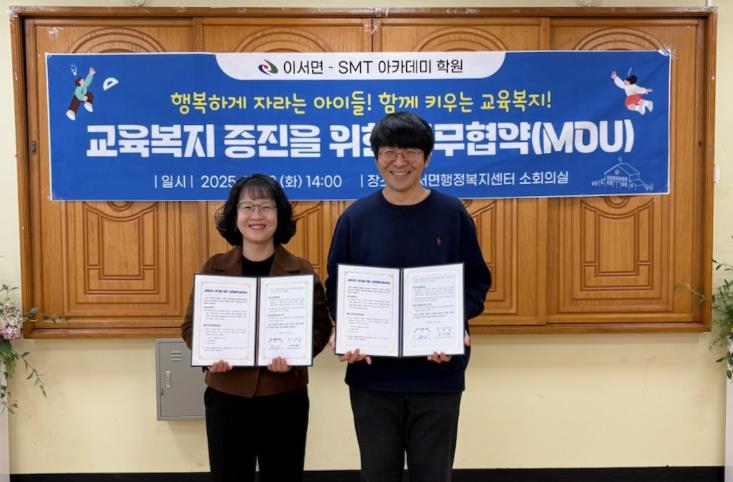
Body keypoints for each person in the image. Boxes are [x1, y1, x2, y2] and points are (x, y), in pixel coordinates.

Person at [325, 111, 492, 482]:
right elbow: (336, 285)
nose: (399, 162)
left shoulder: (452, 213)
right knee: (377, 475)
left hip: (438, 373)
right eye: (389, 152)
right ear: (376, 158)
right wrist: (345, 329)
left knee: (433, 475)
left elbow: (477, 282)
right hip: (372, 377)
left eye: (410, 152)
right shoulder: (356, 217)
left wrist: (454, 322)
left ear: (427, 158)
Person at [181, 174, 332, 482]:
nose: (257, 216)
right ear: (235, 215)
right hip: (226, 395)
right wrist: (209, 355)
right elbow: (190, 327)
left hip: (284, 395)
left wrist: (296, 356)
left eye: (266, 207)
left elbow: (320, 327)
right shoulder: (214, 268)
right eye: (247, 207)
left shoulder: (301, 270)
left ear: (280, 214)